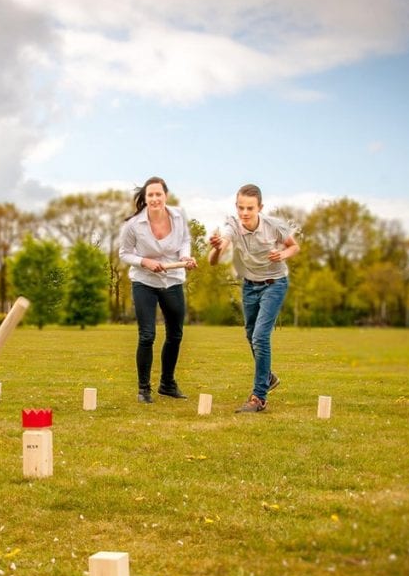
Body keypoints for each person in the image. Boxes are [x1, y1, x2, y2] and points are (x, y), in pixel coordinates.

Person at [209, 183, 299, 413]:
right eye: (241, 208)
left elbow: (294, 247)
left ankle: (259, 397)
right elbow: (212, 260)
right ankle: (267, 376)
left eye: (250, 208)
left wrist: (282, 254)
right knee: (251, 334)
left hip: (275, 284)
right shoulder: (232, 226)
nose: (245, 213)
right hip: (249, 286)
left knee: (260, 336)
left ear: (260, 207)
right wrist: (218, 248)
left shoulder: (273, 226)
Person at [118, 176, 198, 404]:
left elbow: (185, 240)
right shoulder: (133, 225)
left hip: (172, 280)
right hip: (144, 281)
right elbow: (124, 254)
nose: (154, 199)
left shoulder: (178, 215)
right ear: (145, 198)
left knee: (175, 334)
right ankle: (144, 389)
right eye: (150, 195)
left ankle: (167, 384)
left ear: (166, 196)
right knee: (147, 335)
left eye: (158, 194)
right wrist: (145, 262)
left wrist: (185, 257)